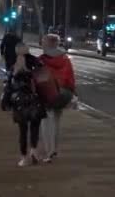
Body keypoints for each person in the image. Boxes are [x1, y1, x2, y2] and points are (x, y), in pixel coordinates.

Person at [2, 43, 46, 167]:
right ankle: (34, 151)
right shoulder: (37, 63)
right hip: (36, 100)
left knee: (23, 130)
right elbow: (44, 82)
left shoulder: (14, 66)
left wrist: (5, 102)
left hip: (20, 102)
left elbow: (8, 87)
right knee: (35, 128)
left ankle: (24, 157)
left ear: (17, 52)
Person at [39, 34, 76, 163]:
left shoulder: (42, 60)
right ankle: (54, 149)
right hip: (64, 93)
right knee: (56, 121)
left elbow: (39, 79)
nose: (41, 44)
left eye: (43, 42)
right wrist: (71, 93)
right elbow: (71, 78)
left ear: (48, 44)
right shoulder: (65, 58)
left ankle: (49, 152)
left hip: (50, 93)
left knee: (46, 121)